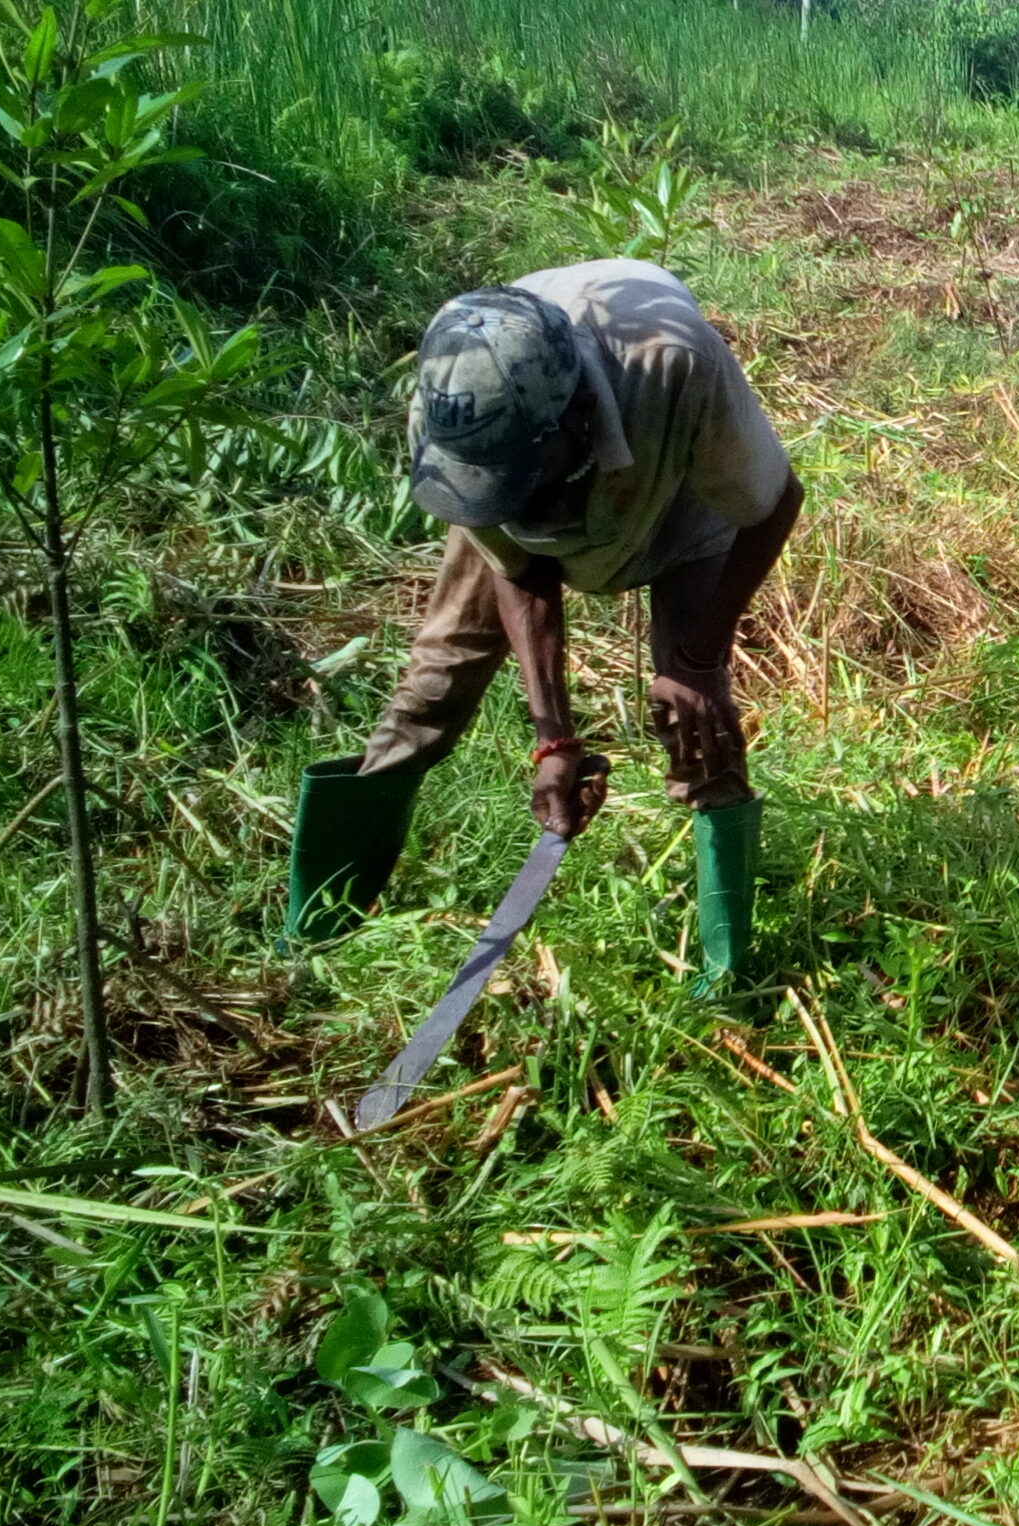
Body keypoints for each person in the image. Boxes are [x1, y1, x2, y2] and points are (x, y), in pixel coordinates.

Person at [282, 259, 803, 1002]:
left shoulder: (675, 366)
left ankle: (726, 981)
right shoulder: (456, 423)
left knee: (701, 725)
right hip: (516, 468)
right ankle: (313, 933)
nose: (517, 499)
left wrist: (694, 658)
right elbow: (520, 570)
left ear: (580, 414)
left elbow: (775, 502)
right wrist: (553, 739)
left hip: (677, 490)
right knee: (432, 687)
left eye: (526, 473)